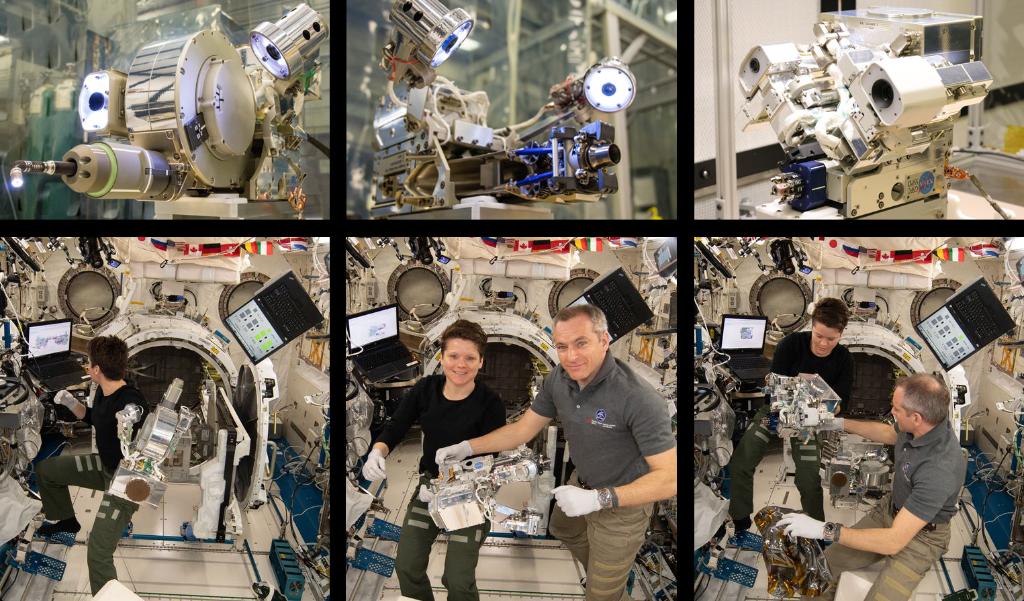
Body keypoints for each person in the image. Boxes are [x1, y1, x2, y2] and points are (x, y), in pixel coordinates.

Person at [435, 305, 677, 601]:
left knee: (601, 595)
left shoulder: (638, 398)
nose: (571, 356)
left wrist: (598, 499)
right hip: (582, 482)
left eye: (581, 343)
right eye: (562, 346)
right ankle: (603, 575)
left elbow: (669, 479)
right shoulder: (559, 379)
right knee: (562, 528)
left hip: (621, 506)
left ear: (604, 340)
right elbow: (522, 430)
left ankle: (605, 586)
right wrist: (467, 447)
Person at [776, 373, 966, 601]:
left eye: (896, 409)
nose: (892, 412)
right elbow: (889, 433)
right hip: (890, 511)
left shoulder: (939, 468)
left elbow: (893, 541)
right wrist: (836, 422)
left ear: (916, 417)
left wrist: (824, 530)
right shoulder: (923, 425)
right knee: (819, 570)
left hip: (923, 539)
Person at [362, 319, 506, 601]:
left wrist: (460, 469)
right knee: (407, 567)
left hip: (470, 492)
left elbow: (492, 458)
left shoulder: (490, 404)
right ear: (442, 357)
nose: (460, 365)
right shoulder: (426, 389)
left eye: (470, 358)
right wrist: (377, 451)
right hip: (430, 488)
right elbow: (396, 426)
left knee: (458, 580)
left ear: (481, 362)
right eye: (453, 356)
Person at [36, 335, 149, 595]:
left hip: (124, 481)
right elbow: (93, 417)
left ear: (97, 369)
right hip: (104, 466)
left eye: (89, 363)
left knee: (98, 551)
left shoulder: (130, 398)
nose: (87, 367)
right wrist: (70, 403)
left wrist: (130, 416)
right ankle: (67, 521)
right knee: (47, 471)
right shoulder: (103, 390)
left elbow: (139, 410)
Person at [728, 298, 853, 531]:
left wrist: (819, 409)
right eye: (819, 336)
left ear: (841, 334)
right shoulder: (790, 345)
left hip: (808, 422)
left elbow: (840, 404)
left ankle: (816, 532)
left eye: (831, 339)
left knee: (808, 479)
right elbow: (774, 391)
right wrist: (787, 405)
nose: (823, 344)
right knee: (742, 461)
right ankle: (741, 523)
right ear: (812, 327)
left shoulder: (844, 359)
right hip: (775, 413)